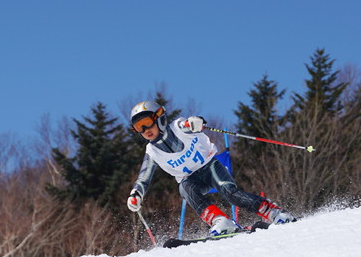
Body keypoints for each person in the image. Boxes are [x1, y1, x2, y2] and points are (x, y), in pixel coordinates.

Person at [126, 100, 296, 236]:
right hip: (191, 179)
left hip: (209, 167)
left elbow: (188, 123)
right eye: (138, 127)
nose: (145, 130)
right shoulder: (152, 151)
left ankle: (275, 212)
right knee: (184, 188)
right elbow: (144, 177)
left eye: (147, 123)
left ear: (160, 118)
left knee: (230, 193)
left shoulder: (177, 127)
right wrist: (136, 194)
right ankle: (221, 221)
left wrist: (194, 123)